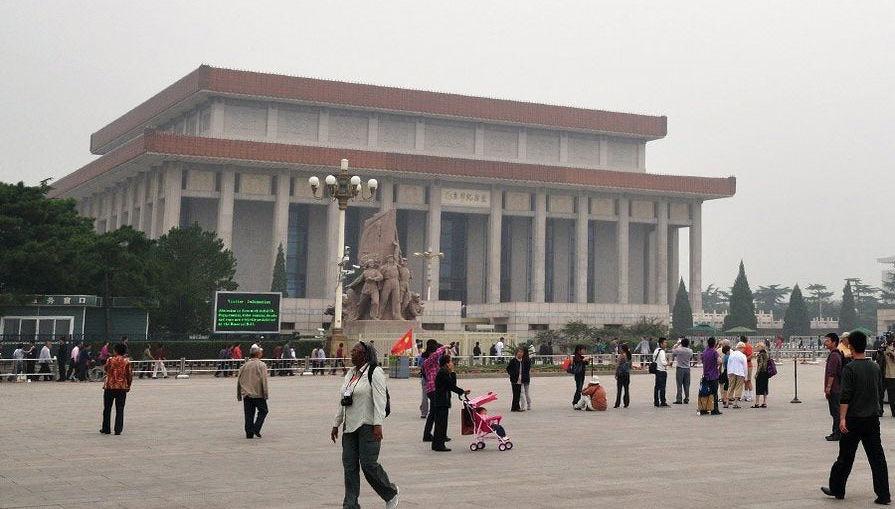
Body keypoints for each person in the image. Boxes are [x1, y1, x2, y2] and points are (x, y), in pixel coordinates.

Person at [822, 331, 890, 504]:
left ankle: (838, 489)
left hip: (853, 419)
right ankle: (884, 494)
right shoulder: (874, 367)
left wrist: (842, 419)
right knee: (877, 458)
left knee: (845, 457)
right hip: (872, 419)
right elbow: (879, 390)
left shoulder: (850, 368)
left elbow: (845, 396)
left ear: (850, 346)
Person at [331, 342, 399, 509]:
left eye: (355, 351)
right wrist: (336, 424)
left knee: (369, 464)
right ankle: (350, 504)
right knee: (349, 467)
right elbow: (343, 401)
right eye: (352, 350)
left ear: (364, 355)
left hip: (368, 425)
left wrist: (378, 424)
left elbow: (380, 401)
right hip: (349, 427)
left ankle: (390, 492)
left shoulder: (375, 372)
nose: (352, 353)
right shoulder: (350, 374)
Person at [432, 355, 470, 451]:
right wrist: (462, 391)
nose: (452, 363)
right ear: (446, 364)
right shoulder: (443, 373)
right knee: (441, 424)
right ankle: (439, 445)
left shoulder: (444, 372)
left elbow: (452, 384)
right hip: (441, 401)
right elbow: (451, 386)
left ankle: (437, 444)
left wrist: (452, 372)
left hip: (442, 400)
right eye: (450, 362)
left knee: (440, 423)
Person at [237, 345, 269, 439]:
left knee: (249, 414)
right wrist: (265, 393)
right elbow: (264, 380)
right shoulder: (261, 365)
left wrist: (239, 394)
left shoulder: (244, 366)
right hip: (257, 393)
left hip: (246, 394)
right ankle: (256, 428)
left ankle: (249, 433)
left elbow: (239, 380)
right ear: (258, 354)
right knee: (263, 411)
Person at [100, 343, 133, 435]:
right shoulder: (126, 362)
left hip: (110, 386)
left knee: (107, 408)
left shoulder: (110, 360)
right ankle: (118, 429)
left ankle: (106, 428)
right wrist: (128, 385)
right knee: (120, 408)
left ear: (115, 351)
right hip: (121, 387)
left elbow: (106, 369)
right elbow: (129, 375)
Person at [422, 342, 448, 442]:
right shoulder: (427, 361)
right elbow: (436, 354)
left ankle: (427, 434)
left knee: (433, 413)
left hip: (435, 389)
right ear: (430, 352)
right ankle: (436, 435)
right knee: (436, 413)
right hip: (432, 389)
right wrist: (444, 346)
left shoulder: (433, 361)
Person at [824, 333, 844, 441]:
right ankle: (835, 432)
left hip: (835, 388)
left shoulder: (834, 355)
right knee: (834, 412)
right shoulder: (835, 354)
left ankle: (837, 433)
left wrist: (828, 387)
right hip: (836, 387)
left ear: (834, 342)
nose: (825, 343)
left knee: (836, 412)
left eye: (827, 341)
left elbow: (832, 373)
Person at [701, 337, 722, 415]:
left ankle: (704, 408)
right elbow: (720, 361)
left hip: (706, 375)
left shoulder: (704, 352)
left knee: (705, 393)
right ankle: (714, 410)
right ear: (714, 343)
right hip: (713, 376)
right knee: (714, 393)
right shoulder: (714, 352)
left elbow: (703, 361)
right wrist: (717, 364)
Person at [419, 340, 440, 420]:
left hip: (425, 379)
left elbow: (420, 365)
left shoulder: (423, 355)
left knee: (424, 396)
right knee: (434, 396)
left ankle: (424, 413)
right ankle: (433, 411)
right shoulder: (436, 355)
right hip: (435, 379)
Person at [507, 347, 530, 412]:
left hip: (520, 379)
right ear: (516, 353)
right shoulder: (513, 361)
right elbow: (508, 369)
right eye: (519, 352)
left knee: (518, 394)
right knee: (515, 394)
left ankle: (517, 407)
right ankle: (514, 408)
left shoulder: (522, 361)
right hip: (514, 380)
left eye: (521, 352)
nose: (520, 353)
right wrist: (512, 375)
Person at [725, 343, 748, 409]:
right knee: (738, 387)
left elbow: (728, 364)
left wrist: (728, 373)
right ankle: (735, 403)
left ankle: (727, 402)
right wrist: (746, 377)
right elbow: (745, 367)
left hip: (731, 372)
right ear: (742, 348)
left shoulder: (731, 354)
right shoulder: (743, 356)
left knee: (731, 387)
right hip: (740, 373)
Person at [672, 338, 694, 404]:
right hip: (687, 368)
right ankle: (687, 398)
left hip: (680, 368)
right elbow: (690, 357)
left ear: (682, 343)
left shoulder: (679, 350)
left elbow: (673, 350)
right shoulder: (690, 351)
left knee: (679, 384)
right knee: (687, 385)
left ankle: (679, 399)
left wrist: (677, 344)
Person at [752, 342, 770, 408]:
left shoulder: (761, 354)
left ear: (761, 347)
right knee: (765, 387)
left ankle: (757, 403)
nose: (757, 348)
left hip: (761, 372)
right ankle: (764, 402)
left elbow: (760, 364)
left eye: (758, 347)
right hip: (766, 372)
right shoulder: (766, 354)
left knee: (758, 387)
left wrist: (756, 374)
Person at [653, 338, 670, 407]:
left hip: (657, 371)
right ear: (661, 344)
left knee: (657, 387)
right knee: (662, 387)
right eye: (665, 342)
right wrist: (668, 364)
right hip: (662, 371)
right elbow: (663, 362)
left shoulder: (656, 350)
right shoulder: (662, 351)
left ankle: (656, 401)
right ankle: (663, 401)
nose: (666, 344)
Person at [614, 344, 631, 408]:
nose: (619, 350)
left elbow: (617, 365)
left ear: (622, 349)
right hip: (627, 374)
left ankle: (617, 403)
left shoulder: (621, 356)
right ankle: (626, 403)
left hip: (621, 374)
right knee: (626, 389)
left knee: (619, 390)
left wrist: (616, 373)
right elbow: (630, 366)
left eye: (620, 348)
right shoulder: (629, 356)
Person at [883, 336, 895, 417]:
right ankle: (894, 412)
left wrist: (891, 354)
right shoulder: (884, 347)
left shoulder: (890, 349)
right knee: (891, 395)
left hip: (891, 374)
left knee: (892, 394)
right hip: (888, 375)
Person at [741, 336, 754, 402]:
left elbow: (751, 355)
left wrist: (744, 359)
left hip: (748, 365)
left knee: (748, 380)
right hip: (743, 365)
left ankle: (751, 395)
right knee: (745, 380)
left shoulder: (748, 346)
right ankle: (746, 394)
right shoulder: (742, 347)